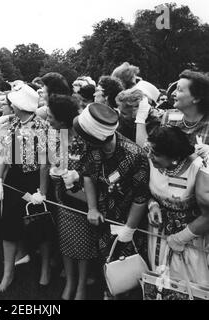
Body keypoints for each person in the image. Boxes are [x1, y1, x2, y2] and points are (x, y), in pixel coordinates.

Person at [68, 103, 150, 298]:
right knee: (106, 260)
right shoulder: (89, 146)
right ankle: (109, 291)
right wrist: (92, 208)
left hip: (129, 219)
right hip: (104, 215)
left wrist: (128, 230)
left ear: (98, 138)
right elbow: (87, 175)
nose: (78, 138)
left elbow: (141, 198)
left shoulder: (135, 156)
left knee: (128, 266)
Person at [0, 83, 51, 292]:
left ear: (19, 105)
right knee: (8, 224)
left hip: (34, 180)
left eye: (12, 103)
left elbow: (45, 163)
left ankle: (45, 269)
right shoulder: (14, 123)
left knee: (39, 227)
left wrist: (42, 192)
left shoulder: (43, 127)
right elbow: (5, 155)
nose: (9, 105)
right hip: (14, 178)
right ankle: (8, 273)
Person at [46, 94, 98, 300]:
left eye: (50, 116)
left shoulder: (83, 139)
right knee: (65, 240)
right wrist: (54, 170)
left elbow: (92, 170)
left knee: (84, 243)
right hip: (61, 199)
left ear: (62, 119)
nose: (47, 119)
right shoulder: (57, 136)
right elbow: (54, 160)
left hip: (82, 200)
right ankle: (70, 281)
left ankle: (81, 286)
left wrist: (76, 176)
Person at [146, 126, 209, 286]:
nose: (149, 156)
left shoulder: (198, 168)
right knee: (160, 281)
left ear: (174, 157)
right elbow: (146, 191)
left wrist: (181, 238)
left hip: (190, 239)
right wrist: (152, 205)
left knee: (190, 285)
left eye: (156, 154)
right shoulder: (152, 161)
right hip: (159, 235)